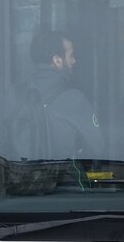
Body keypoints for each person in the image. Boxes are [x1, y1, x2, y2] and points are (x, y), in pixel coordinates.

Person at [20, 28, 103, 160]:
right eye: (71, 55)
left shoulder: (13, 95)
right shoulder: (75, 100)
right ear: (58, 60)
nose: (74, 61)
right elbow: (97, 150)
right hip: (60, 179)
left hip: (16, 178)